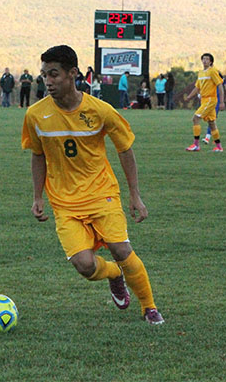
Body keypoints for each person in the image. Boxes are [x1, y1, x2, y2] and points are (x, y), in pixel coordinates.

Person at [21, 45, 164, 325]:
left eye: (54, 74)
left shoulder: (100, 110)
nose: (48, 81)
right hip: (64, 202)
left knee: (121, 249)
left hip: (102, 194)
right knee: (85, 266)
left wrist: (135, 195)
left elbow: (125, 148)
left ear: (73, 73)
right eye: (44, 75)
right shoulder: (36, 115)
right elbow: (38, 155)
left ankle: (149, 307)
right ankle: (113, 274)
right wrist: (37, 197)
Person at [185, 53, 225, 152]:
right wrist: (189, 96)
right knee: (211, 123)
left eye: (207, 59)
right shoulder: (201, 73)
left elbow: (220, 85)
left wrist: (222, 102)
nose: (205, 61)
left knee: (195, 118)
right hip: (204, 100)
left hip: (210, 99)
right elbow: (197, 87)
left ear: (211, 61)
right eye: (203, 59)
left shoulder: (213, 71)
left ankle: (196, 145)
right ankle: (219, 147)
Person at [203, 72, 226, 144]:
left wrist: (223, 100)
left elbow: (225, 89)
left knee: (211, 119)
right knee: (211, 119)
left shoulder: (219, 80)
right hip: (211, 101)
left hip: (216, 102)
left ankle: (207, 137)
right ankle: (215, 137)